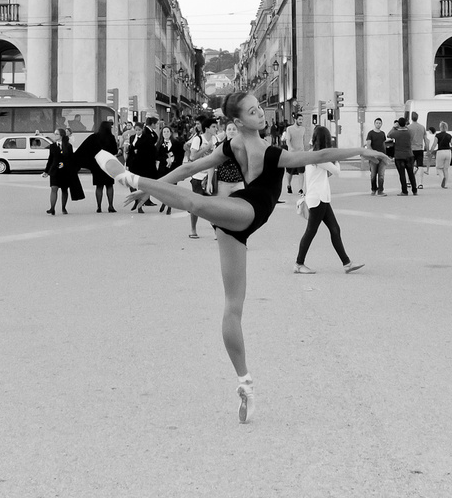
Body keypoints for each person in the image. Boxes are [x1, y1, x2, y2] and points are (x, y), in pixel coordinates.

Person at [93, 90, 390, 423]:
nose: (261, 113)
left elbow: (320, 154)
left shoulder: (271, 152)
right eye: (253, 111)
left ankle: (129, 177)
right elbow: (189, 167)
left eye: (259, 107)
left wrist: (361, 150)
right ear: (237, 121)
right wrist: (148, 189)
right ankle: (245, 384)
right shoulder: (234, 147)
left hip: (242, 214)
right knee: (228, 301)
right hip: (240, 214)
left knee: (222, 269)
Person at [294, 130, 365, 275]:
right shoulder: (320, 158)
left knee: (334, 229)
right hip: (318, 198)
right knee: (311, 231)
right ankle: (299, 263)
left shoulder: (313, 154)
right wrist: (336, 157)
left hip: (320, 198)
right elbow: (336, 171)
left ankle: (347, 263)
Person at [89, 120, 120, 213]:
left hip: (97, 164)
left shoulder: (95, 137)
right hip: (108, 164)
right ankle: (110, 206)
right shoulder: (111, 137)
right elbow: (115, 150)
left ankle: (99, 207)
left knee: (99, 187)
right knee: (109, 185)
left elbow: (91, 150)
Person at [389, 117, 417, 195]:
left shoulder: (396, 133)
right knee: (411, 173)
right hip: (409, 154)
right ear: (405, 123)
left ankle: (404, 191)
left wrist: (394, 127)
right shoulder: (409, 132)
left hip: (399, 156)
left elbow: (389, 135)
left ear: (398, 124)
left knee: (402, 174)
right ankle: (414, 190)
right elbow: (412, 135)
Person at [365, 118, 388, 195]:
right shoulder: (370, 133)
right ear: (374, 124)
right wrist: (373, 153)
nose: (378, 124)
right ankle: (373, 189)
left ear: (381, 124)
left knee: (381, 174)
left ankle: (380, 190)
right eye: (377, 123)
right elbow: (368, 144)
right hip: (373, 157)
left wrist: (385, 155)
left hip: (382, 157)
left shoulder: (382, 133)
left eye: (379, 123)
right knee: (373, 174)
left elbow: (384, 144)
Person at [408, 111, 428, 183]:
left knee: (410, 166)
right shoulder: (422, 127)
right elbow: (426, 139)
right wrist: (427, 149)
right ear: (417, 118)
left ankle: (409, 181)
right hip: (420, 149)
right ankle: (420, 183)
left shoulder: (409, 128)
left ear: (411, 118)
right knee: (420, 166)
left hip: (411, 149)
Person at [433, 121, 452, 188]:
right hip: (448, 152)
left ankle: (442, 177)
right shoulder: (449, 136)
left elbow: (434, 144)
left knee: (438, 167)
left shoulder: (437, 135)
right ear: (446, 128)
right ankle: (445, 184)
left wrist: (430, 151)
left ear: (440, 127)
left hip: (440, 152)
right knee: (446, 169)